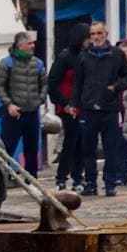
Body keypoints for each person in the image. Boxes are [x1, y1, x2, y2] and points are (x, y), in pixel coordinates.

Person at [71, 21, 127, 197]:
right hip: (88, 108)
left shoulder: (116, 54)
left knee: (110, 148)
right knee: (88, 149)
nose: (96, 37)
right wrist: (74, 104)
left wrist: (116, 87)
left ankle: (110, 183)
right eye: (93, 34)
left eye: (99, 33)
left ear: (106, 33)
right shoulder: (84, 55)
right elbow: (77, 83)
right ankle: (91, 183)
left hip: (109, 107)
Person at [0, 31, 47, 177]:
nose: (33, 45)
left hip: (32, 113)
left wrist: (39, 100)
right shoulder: (6, 64)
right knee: (7, 147)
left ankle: (32, 180)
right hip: (13, 114)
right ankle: (1, 177)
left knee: (32, 149)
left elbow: (44, 84)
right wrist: (9, 105)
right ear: (20, 45)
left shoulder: (38, 63)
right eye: (29, 43)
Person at [51, 25, 86, 190]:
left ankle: (78, 177)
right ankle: (61, 177)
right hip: (68, 104)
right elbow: (53, 83)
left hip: (82, 104)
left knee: (81, 142)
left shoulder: (87, 56)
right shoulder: (65, 57)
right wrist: (64, 104)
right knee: (71, 140)